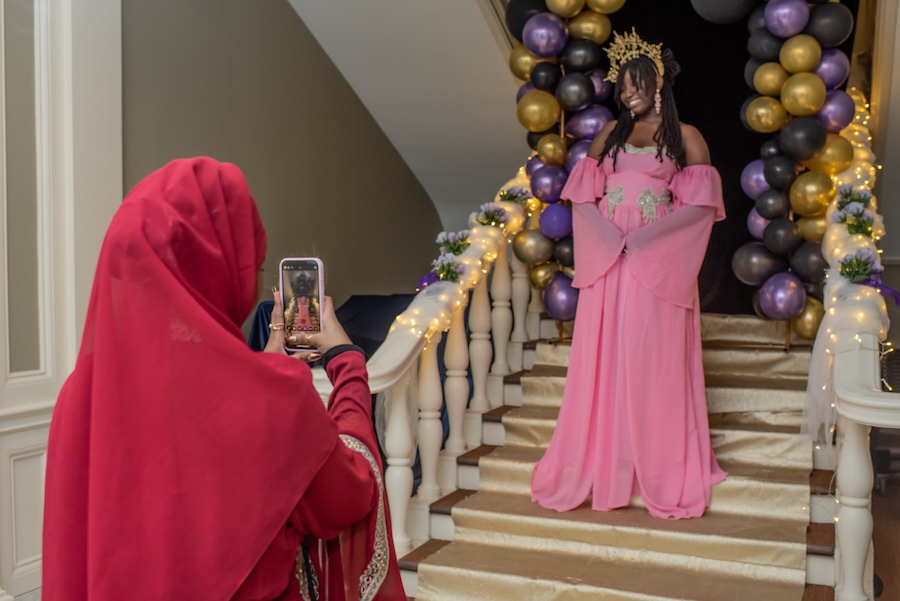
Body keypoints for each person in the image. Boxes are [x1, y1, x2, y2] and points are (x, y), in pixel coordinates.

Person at [42, 157, 406, 599]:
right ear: (218, 273)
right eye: (254, 267)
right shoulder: (269, 400)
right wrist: (346, 361)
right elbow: (346, 497)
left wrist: (267, 368)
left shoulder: (78, 395)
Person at [531, 29, 728, 520]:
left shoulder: (686, 138)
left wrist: (646, 240)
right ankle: (609, 463)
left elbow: (698, 209)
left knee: (652, 358)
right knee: (607, 358)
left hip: (654, 266)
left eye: (635, 83)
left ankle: (659, 466)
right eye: (621, 86)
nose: (626, 93)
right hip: (608, 265)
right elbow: (582, 198)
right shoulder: (609, 137)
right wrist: (607, 238)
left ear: (657, 82)